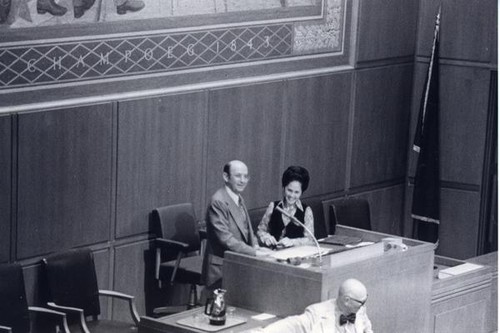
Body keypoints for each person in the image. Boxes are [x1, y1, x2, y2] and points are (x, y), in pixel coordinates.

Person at [201, 160, 271, 291]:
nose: (243, 180)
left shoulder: (238, 197)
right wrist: (254, 252)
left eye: (246, 176)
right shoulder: (218, 201)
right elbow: (225, 239)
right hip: (222, 268)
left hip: (238, 263)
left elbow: (246, 229)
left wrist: (256, 245)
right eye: (238, 176)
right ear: (226, 177)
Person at [261, 278, 373, 333]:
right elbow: (292, 324)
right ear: (346, 300)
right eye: (361, 302)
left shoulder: (359, 311)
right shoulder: (317, 313)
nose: (363, 305)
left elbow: (367, 330)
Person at [257, 165, 314, 248]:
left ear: (302, 192)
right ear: (284, 188)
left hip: (296, 257)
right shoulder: (273, 206)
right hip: (273, 254)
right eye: (289, 190)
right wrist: (266, 238)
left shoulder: (306, 211)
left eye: (296, 192)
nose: (292, 195)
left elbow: (310, 240)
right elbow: (260, 231)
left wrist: (292, 242)